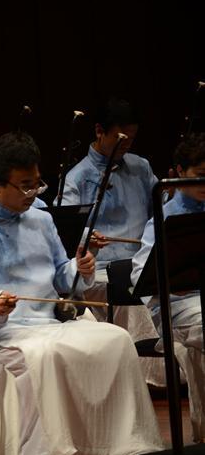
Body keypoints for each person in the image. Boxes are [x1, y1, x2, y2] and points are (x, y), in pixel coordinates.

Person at [0, 132, 164, 455]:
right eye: (25, 186)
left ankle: (126, 446)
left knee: (116, 340)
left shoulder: (41, 218)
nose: (33, 193)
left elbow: (60, 275)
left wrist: (80, 268)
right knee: (41, 355)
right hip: (2, 330)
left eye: (36, 184)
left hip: (49, 322)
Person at [62, 97, 165, 387]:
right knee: (131, 294)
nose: (127, 145)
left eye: (131, 138)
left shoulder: (141, 167)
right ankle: (140, 378)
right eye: (121, 138)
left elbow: (160, 206)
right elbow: (68, 228)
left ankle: (167, 371)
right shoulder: (76, 178)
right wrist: (86, 237)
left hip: (141, 262)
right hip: (101, 269)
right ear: (99, 131)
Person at [132, 133, 205, 441]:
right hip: (177, 305)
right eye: (199, 172)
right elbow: (140, 277)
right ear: (179, 171)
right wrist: (173, 286)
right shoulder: (164, 218)